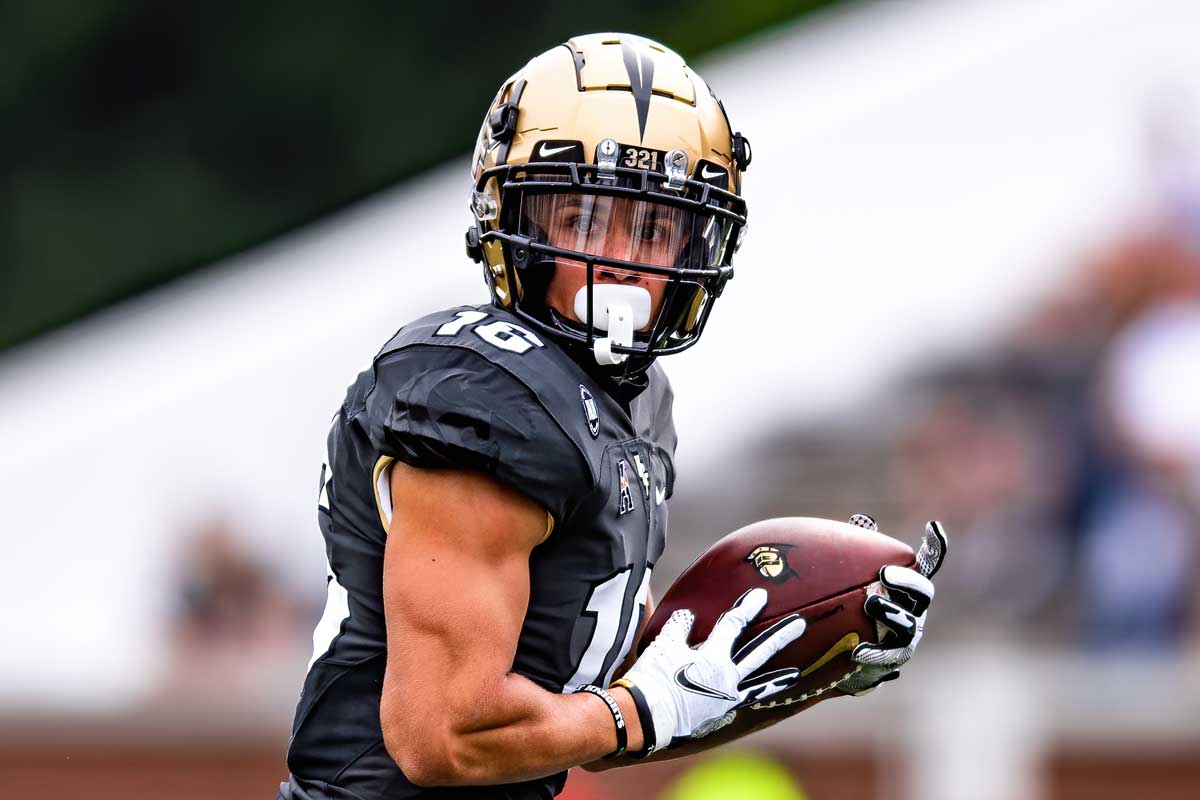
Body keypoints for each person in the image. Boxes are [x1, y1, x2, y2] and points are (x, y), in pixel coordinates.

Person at [278, 33, 945, 800]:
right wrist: (639, 711)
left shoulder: (637, 403)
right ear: (513, 218)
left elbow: (615, 709)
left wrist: (802, 661)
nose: (623, 259)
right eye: (586, 221)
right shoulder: (479, 394)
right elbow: (444, 733)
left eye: (654, 229)